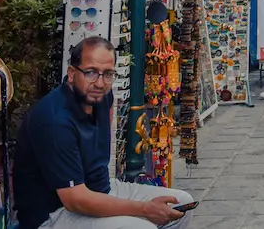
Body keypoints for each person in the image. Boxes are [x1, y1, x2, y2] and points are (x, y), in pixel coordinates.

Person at [14, 37, 195, 229]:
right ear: (71, 73)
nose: (100, 83)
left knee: (181, 203)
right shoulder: (54, 120)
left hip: (99, 190)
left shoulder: (102, 97)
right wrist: (143, 210)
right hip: (53, 214)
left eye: (108, 74)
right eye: (90, 73)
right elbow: (75, 200)